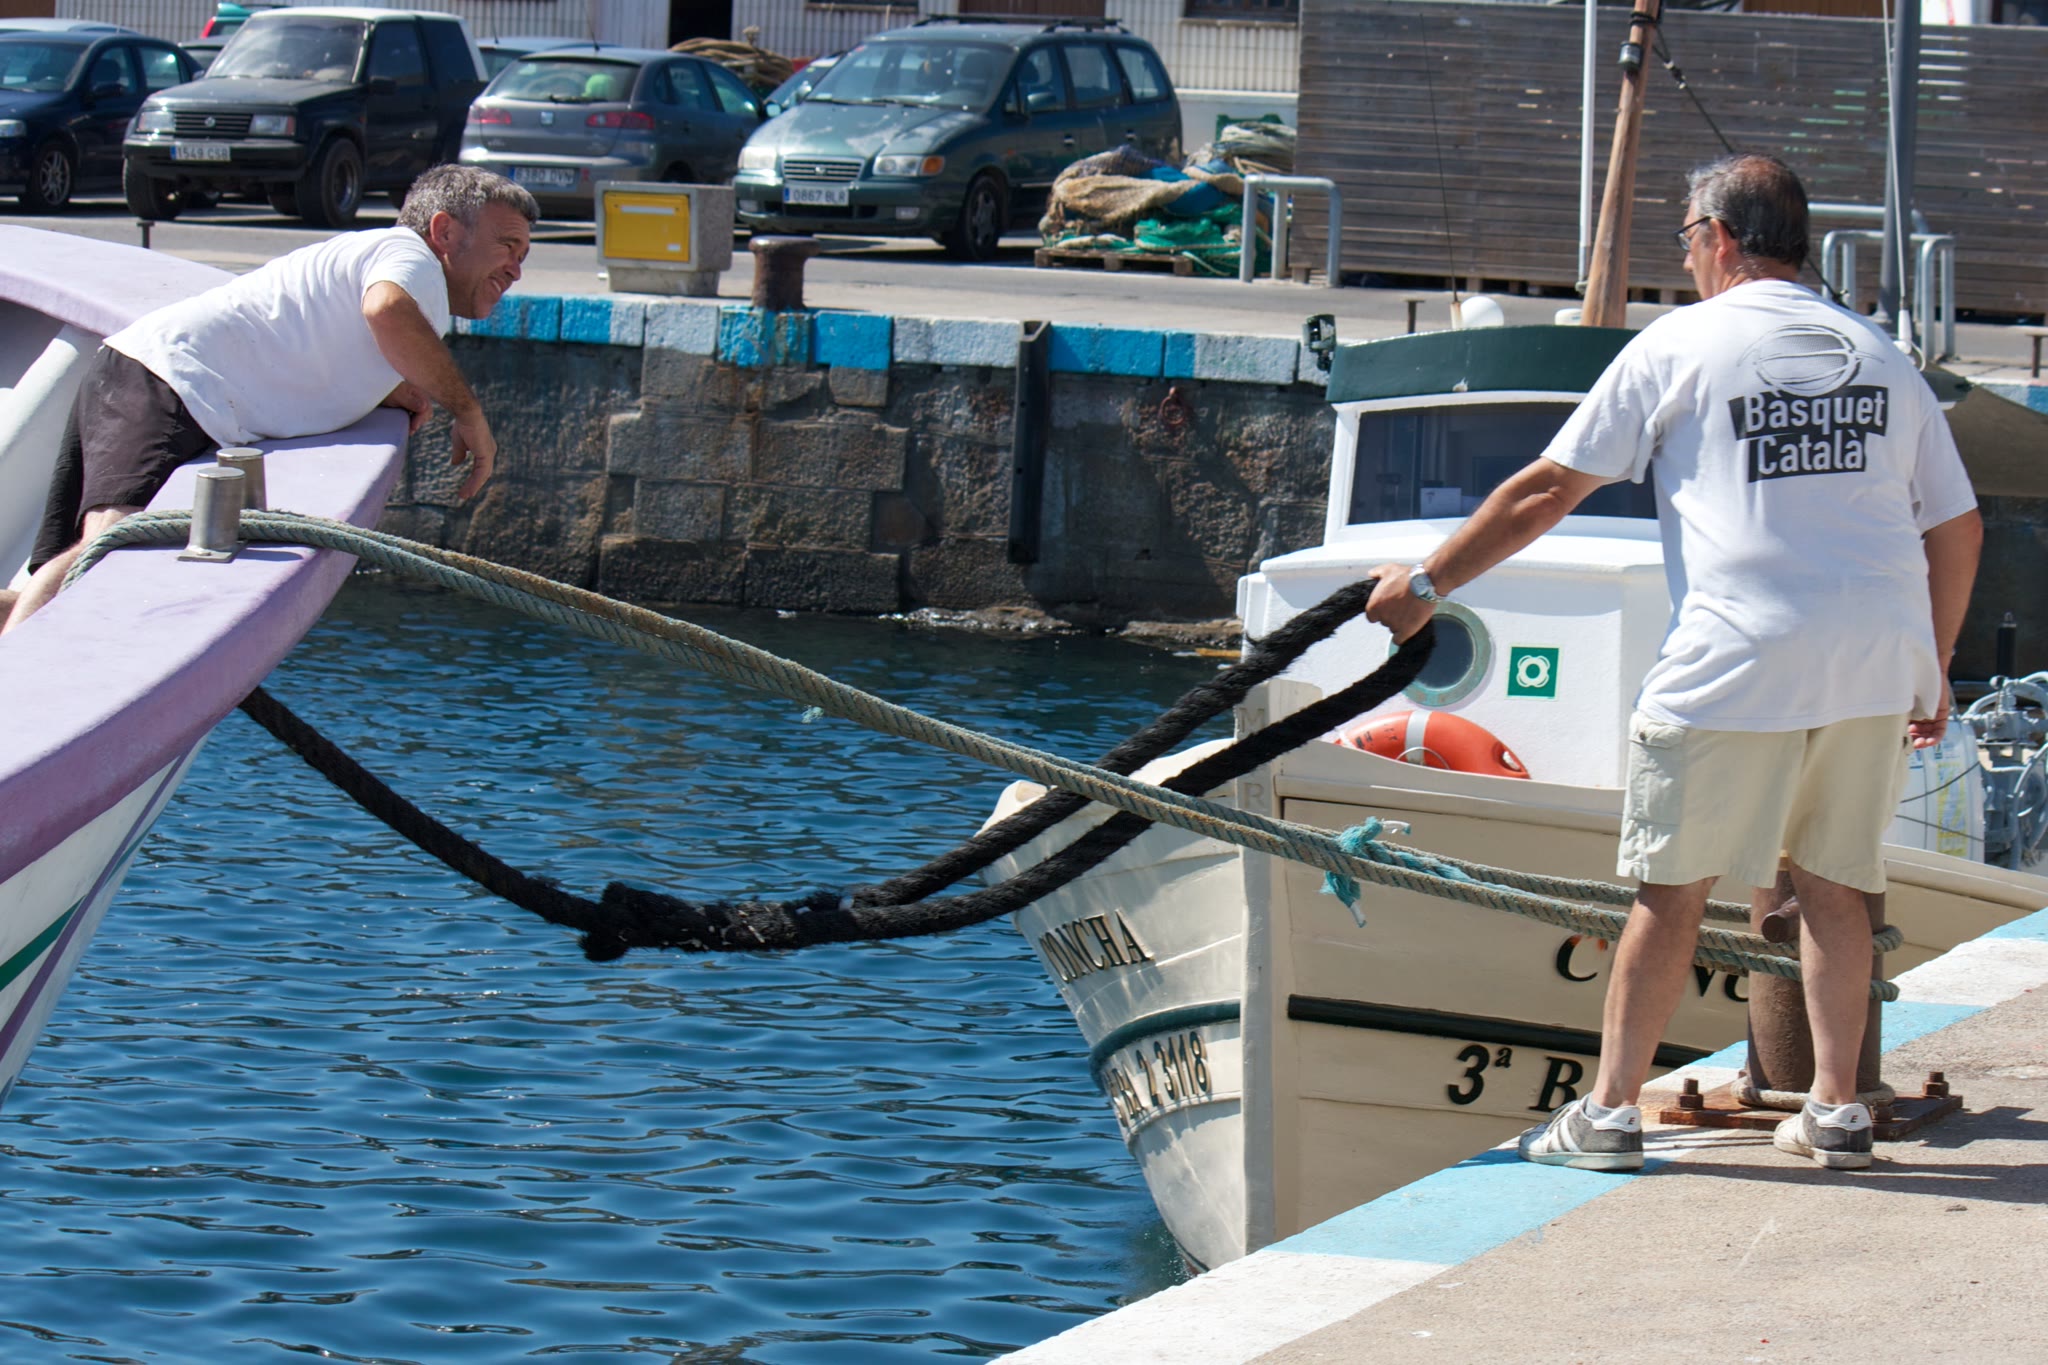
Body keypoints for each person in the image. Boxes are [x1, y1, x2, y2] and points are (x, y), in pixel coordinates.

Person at [1364, 153, 1983, 1172]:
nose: (1687, 257)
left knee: (1671, 889)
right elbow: (1956, 526)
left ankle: (1608, 1115)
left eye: (1688, 238)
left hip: (1734, 654)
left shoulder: (1679, 343)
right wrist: (1935, 660)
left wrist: (1427, 582)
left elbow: (1546, 490)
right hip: (1875, 656)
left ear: (1721, 238)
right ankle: (1836, 1110)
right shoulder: (1879, 354)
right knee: (1834, 886)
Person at [5, 164, 537, 633]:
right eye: (506, 246)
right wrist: (468, 413)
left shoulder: (385, 256)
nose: (515, 269)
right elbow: (387, 310)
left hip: (151, 377)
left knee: (59, 581)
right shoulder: (411, 255)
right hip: (168, 383)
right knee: (108, 549)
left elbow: (329, 331)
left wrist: (385, 387)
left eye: (523, 256)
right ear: (444, 231)